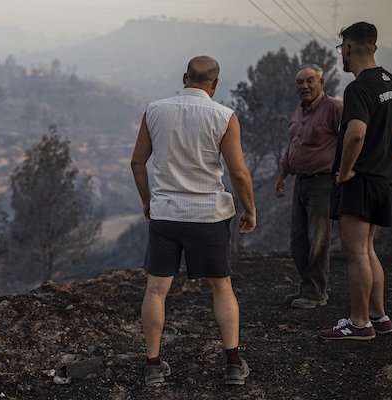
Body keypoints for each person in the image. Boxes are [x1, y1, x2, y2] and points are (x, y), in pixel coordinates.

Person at [130, 56, 257, 385]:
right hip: (208, 216)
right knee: (221, 288)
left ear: (185, 77)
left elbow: (137, 163)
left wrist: (148, 201)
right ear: (215, 84)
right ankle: (232, 364)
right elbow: (239, 173)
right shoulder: (224, 116)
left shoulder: (154, 110)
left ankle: (154, 365)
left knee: (156, 290)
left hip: (166, 213)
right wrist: (249, 209)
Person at [319, 22, 392, 340]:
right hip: (382, 179)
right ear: (375, 47)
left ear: (348, 49)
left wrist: (344, 171)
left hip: (360, 182)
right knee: (368, 249)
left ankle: (359, 324)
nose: (342, 54)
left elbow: (356, 133)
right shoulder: (391, 81)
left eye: (341, 48)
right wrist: (383, 155)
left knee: (355, 252)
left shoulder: (358, 88)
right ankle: (378, 317)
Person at [275, 65, 343, 309]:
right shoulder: (299, 109)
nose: (304, 86)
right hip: (300, 182)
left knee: (318, 240)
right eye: (299, 83)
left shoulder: (335, 108)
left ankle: (315, 294)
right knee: (298, 239)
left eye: (310, 81)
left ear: (321, 82)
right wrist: (283, 175)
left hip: (323, 184)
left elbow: (354, 137)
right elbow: (293, 144)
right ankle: (307, 287)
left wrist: (346, 172)